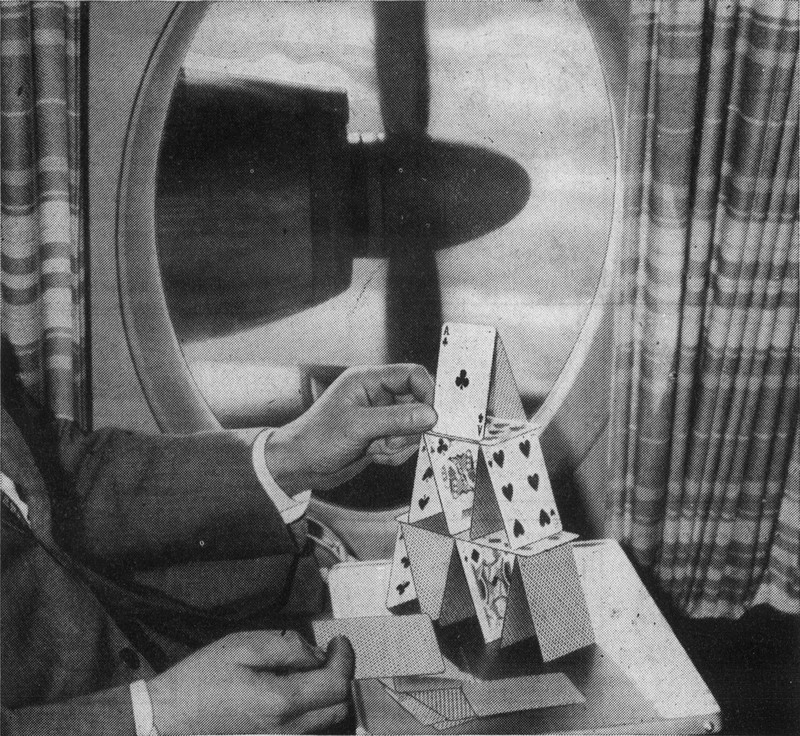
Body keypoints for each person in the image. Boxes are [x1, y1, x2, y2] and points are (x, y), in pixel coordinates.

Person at [1, 340, 437, 735]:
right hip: (138, 710)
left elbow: (58, 473)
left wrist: (288, 455)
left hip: (173, 650)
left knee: (423, 673)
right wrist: (160, 715)